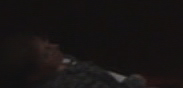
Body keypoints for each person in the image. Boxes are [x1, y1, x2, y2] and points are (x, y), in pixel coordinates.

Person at [0, 29, 149, 87]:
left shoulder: (63, 62)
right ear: (34, 76)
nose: (55, 46)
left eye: (47, 43)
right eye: (46, 54)